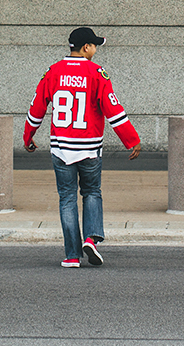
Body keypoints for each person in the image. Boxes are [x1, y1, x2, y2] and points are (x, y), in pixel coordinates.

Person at [25, 26, 141, 267]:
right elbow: (113, 110)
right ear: (86, 47)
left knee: (67, 198)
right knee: (91, 192)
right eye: (94, 45)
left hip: (61, 149)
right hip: (89, 148)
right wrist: (131, 139)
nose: (96, 49)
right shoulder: (97, 73)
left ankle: (71, 255)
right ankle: (91, 237)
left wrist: (28, 136)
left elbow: (37, 107)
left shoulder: (53, 72)